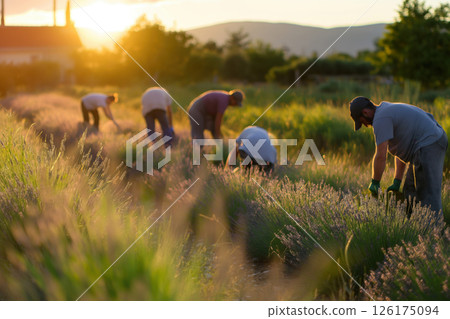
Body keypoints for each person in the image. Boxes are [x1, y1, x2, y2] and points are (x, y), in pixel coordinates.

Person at [349, 96, 448, 217]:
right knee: (410, 191)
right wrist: (397, 181)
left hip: (429, 144)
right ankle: (414, 227)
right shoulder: (386, 110)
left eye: (361, 121)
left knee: (428, 196)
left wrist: (375, 182)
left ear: (365, 112)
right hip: (427, 143)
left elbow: (380, 156)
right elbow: (401, 149)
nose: (364, 125)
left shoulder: (381, 119)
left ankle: (435, 232)